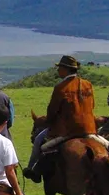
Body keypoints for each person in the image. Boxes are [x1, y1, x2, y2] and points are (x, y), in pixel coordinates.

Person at [25, 55, 97, 183]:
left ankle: (33, 170)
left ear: (66, 69)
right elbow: (92, 106)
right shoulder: (88, 84)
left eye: (60, 68)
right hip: (89, 129)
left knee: (38, 141)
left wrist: (48, 121)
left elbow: (52, 113)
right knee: (108, 145)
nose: (58, 71)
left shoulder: (60, 88)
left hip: (67, 131)